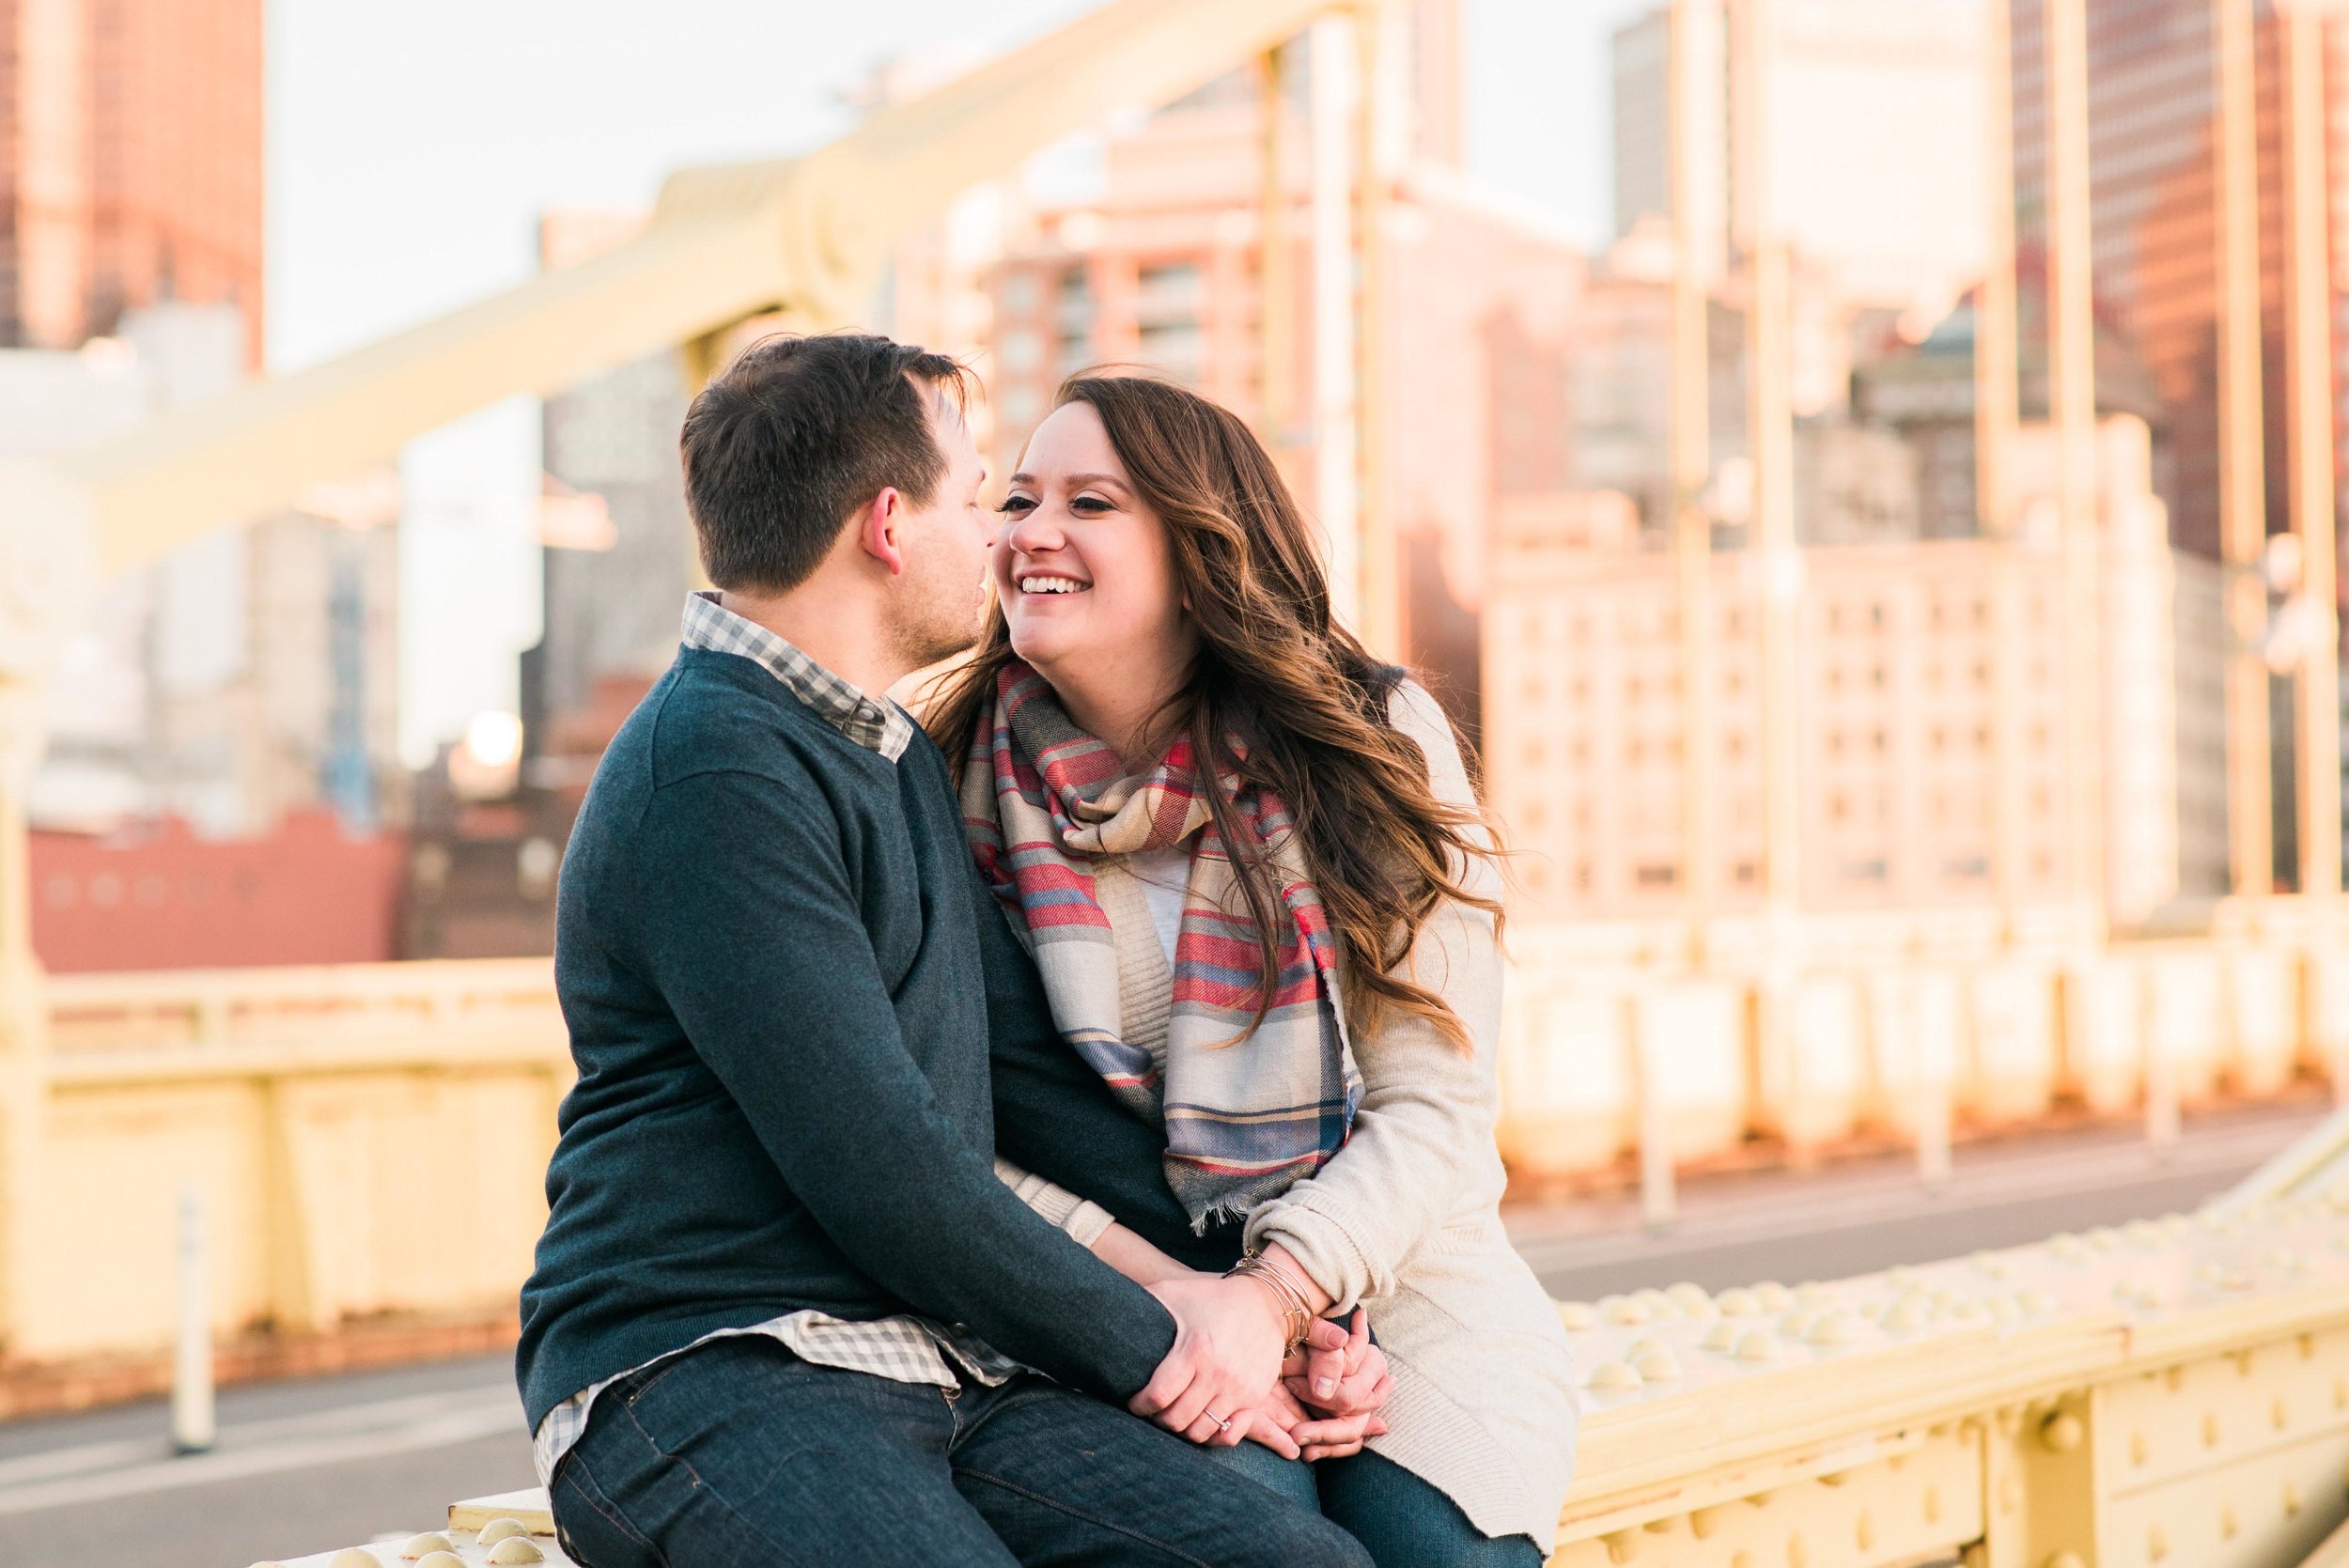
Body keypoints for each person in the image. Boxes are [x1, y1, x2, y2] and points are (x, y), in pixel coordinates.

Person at [515, 334, 1374, 1568]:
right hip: (707, 1369)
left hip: (937, 1362)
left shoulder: (890, 757)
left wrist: (1265, 1313)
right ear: (886, 524)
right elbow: (883, 1162)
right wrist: (1171, 1348)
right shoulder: (715, 767)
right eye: (975, 498)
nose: (998, 536)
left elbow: (1022, 1087)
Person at [931, 372, 1580, 1567]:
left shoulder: (1364, 741)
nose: (1031, 531)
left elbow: (1434, 1106)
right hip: (1124, 1307)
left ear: (1199, 545)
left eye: (1090, 502)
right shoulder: (942, 780)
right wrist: (1193, 1311)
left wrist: (1279, 1292)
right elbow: (945, 1135)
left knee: (1444, 1551)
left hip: (1398, 1270)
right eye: (1017, 498)